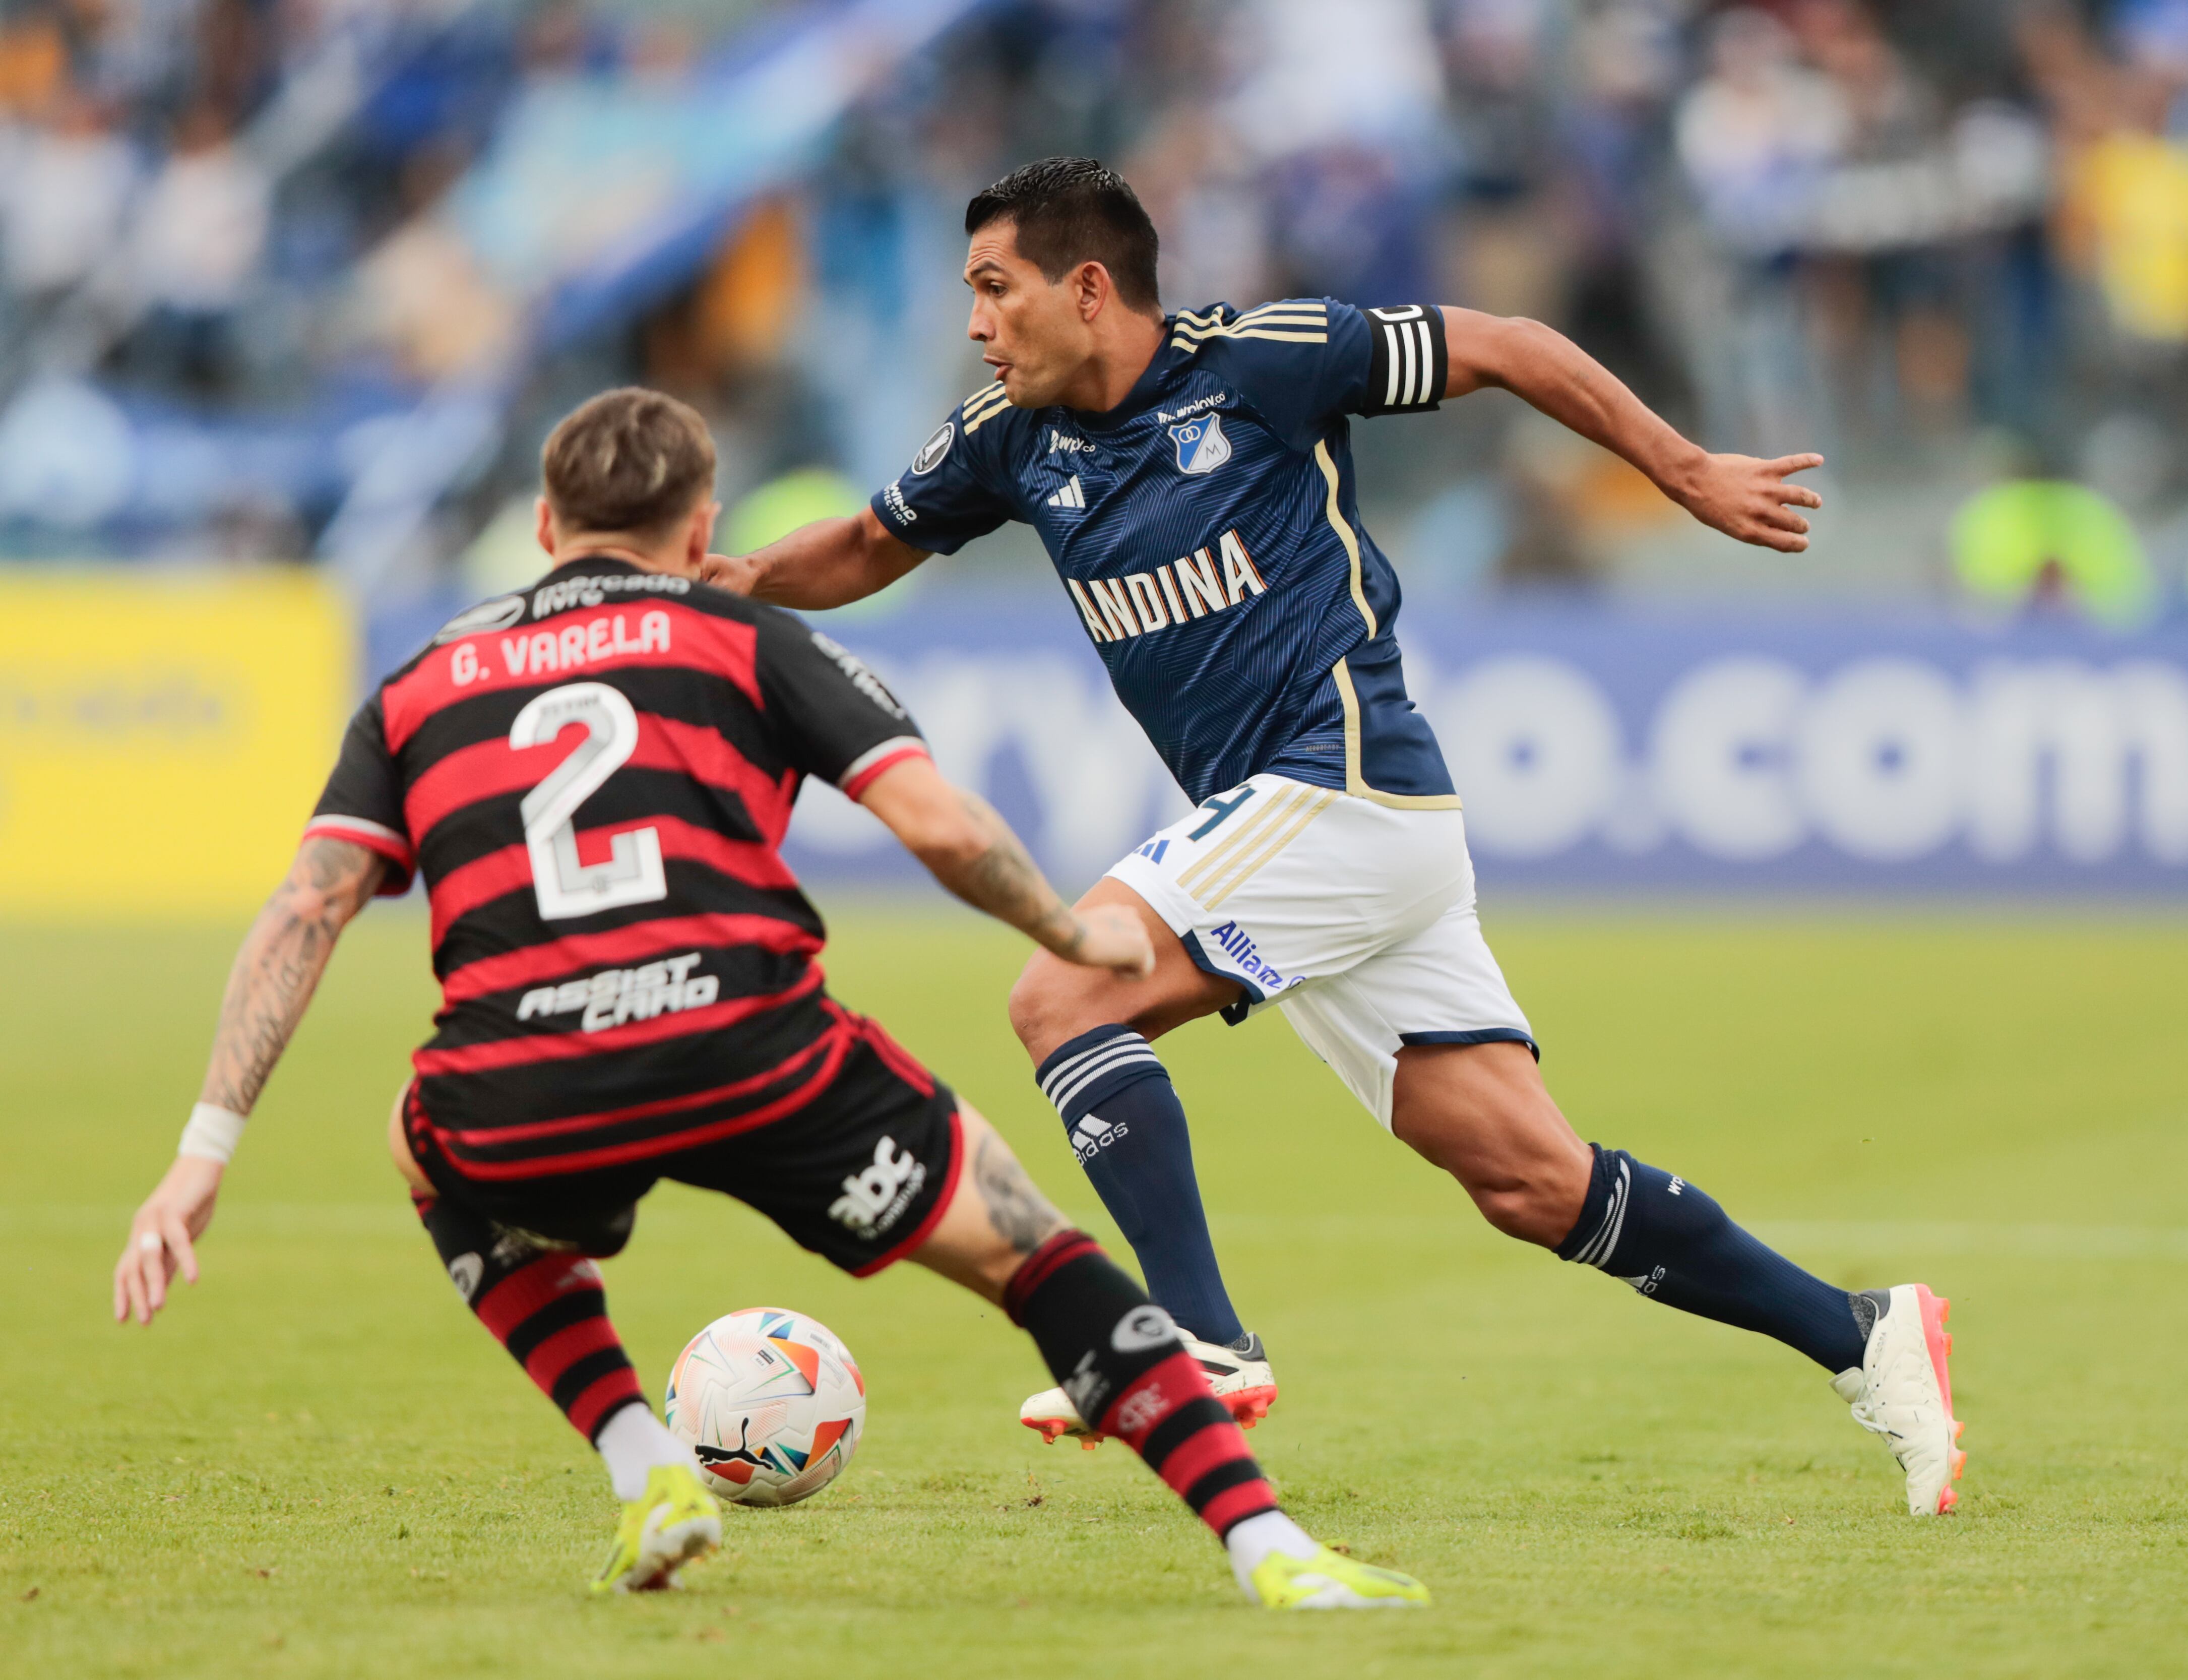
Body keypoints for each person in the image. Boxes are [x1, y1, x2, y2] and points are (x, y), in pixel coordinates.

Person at [703, 159, 1965, 1517]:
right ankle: (1864, 1334)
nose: (976, 324)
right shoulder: (1010, 436)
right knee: (1531, 1180)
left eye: (994, 290)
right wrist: (733, 588)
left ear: (1088, 288)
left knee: (1064, 991)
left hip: (1345, 787)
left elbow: (1508, 344)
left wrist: (1684, 469)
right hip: (1318, 842)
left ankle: (1197, 1340)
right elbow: (871, 548)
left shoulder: (1267, 360)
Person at [110, 387, 1428, 1609]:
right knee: (1031, 1253)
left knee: (425, 1141)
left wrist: (200, 1154)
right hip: (756, 1052)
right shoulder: (745, 635)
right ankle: (1274, 1552)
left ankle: (643, 1464)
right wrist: (1067, 926)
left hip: (527, 1079)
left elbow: (307, 909)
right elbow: (943, 827)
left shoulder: (416, 686)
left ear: (541, 524)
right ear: (702, 527)